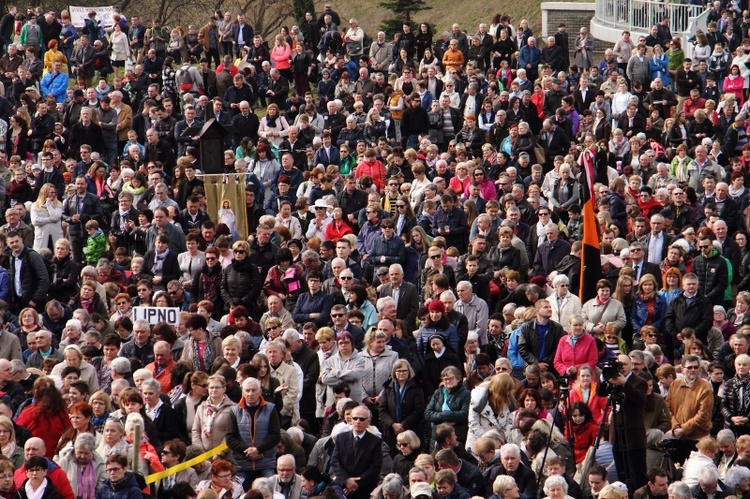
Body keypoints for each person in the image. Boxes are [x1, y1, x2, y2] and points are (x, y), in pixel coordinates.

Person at [329, 405, 383, 499]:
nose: (358, 422)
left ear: (368, 421)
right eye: (355, 418)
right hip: (343, 488)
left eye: (362, 419)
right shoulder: (341, 438)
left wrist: (355, 484)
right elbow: (335, 461)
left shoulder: (375, 441)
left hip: (365, 489)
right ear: (350, 420)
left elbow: (375, 466)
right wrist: (346, 480)